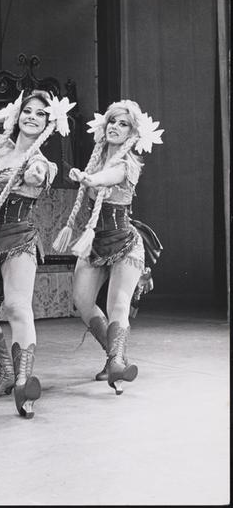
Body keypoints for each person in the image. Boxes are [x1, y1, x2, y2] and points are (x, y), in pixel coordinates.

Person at [0, 90, 75, 419]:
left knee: (17, 307)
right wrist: (8, 112)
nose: (32, 117)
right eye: (28, 111)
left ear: (50, 123)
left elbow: (38, 175)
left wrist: (34, 173)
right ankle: (5, 371)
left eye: (41, 114)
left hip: (18, 238)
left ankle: (23, 380)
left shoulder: (43, 163)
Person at [52, 100, 164, 394]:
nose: (115, 126)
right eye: (112, 121)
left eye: (123, 123)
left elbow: (108, 178)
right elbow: (97, 175)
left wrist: (89, 179)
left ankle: (116, 362)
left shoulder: (129, 164)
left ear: (132, 132)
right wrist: (88, 175)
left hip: (125, 242)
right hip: (95, 242)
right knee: (82, 301)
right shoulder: (96, 159)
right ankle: (116, 357)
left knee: (119, 304)